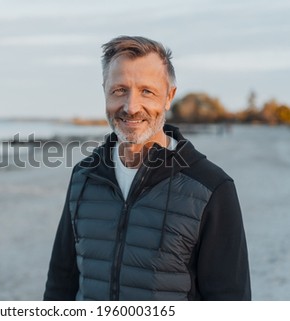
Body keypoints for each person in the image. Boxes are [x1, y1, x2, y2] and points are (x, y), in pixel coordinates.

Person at [43, 35, 251, 301]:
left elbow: (230, 301)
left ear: (169, 97)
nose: (131, 107)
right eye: (119, 90)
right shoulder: (84, 175)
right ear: (105, 91)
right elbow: (61, 284)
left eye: (147, 91)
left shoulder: (212, 187)